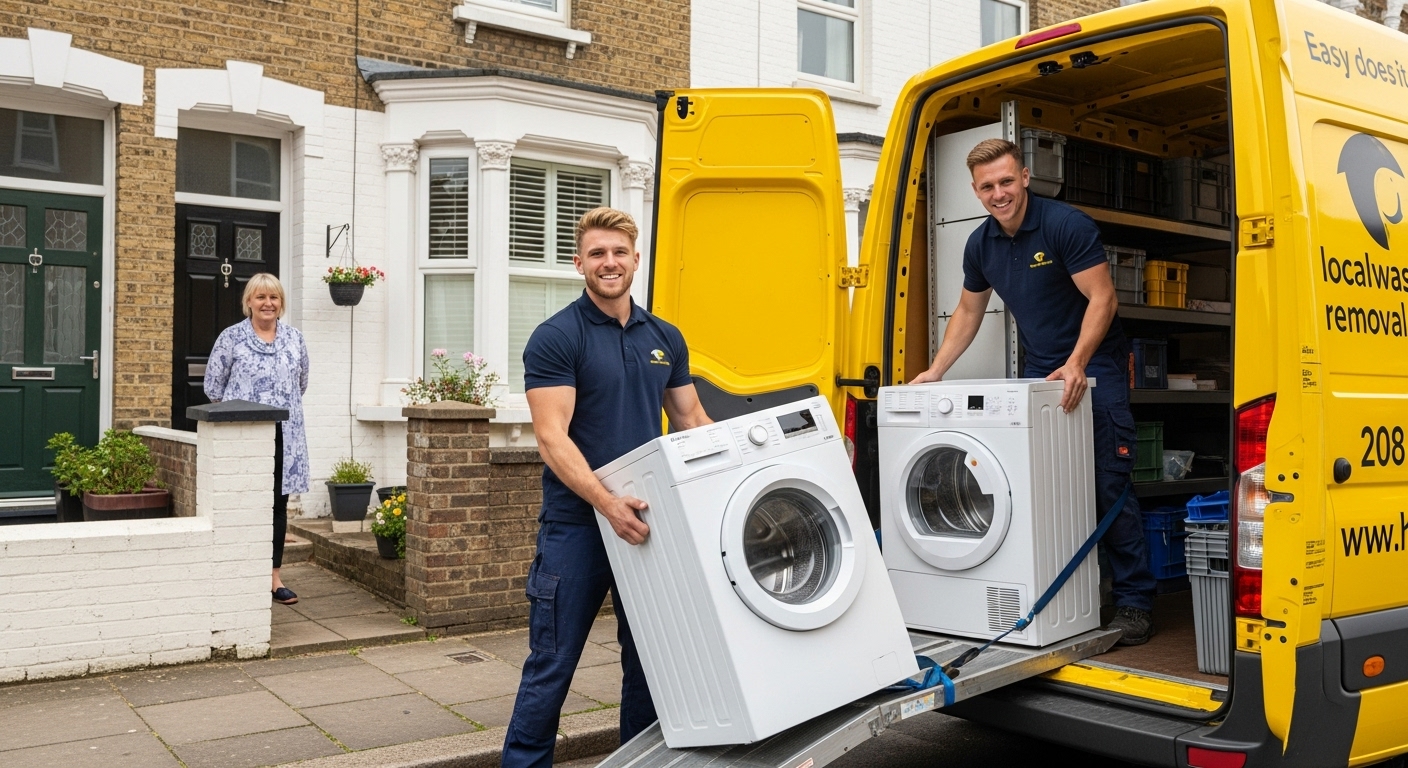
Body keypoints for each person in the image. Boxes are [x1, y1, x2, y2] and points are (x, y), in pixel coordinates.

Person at [911, 138, 1156, 645]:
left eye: (1006, 181)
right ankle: (1052, 595)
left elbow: (1103, 298)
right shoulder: (981, 244)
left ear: (1024, 176)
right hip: (1039, 369)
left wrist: (1077, 362)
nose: (999, 193)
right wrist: (936, 370)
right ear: (975, 192)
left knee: (1107, 483)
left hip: (1096, 365)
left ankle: (1134, 602)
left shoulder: (1065, 225)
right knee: (1034, 487)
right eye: (987, 187)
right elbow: (969, 311)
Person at [502, 207, 712, 767]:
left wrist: (756, 460)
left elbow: (692, 420)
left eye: (619, 252)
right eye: (597, 254)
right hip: (577, 526)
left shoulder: (664, 336)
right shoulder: (556, 337)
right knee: (553, 662)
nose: (609, 262)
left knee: (648, 662)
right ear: (579, 264)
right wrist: (605, 503)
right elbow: (552, 438)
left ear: (635, 259)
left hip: (645, 521)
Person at [205, 272, 311, 606]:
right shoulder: (231, 338)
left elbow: (302, 383)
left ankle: (273, 578)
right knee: (242, 503)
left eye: (274, 298)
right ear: (248, 301)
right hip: (244, 436)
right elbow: (213, 387)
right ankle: (235, 575)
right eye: (260, 297)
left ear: (281, 303)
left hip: (285, 436)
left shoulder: (295, 339)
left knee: (278, 506)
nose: (268, 304)